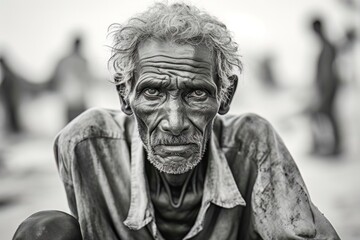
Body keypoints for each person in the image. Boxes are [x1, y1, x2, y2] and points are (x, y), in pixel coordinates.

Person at [13, 3, 340, 240]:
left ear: (225, 97)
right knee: (45, 230)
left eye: (197, 93)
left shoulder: (251, 142)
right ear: (124, 96)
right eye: (153, 92)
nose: (174, 122)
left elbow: (309, 234)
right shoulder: (85, 145)